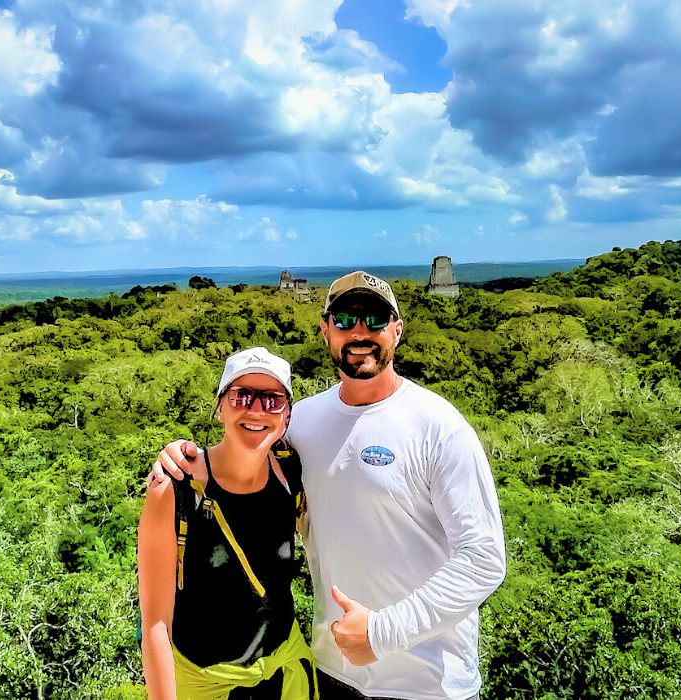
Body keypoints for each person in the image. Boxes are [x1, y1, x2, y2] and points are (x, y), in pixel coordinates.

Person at [154, 271, 506, 700]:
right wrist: (182, 455)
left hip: (427, 682)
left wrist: (383, 632)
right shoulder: (302, 421)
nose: (360, 331)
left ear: (397, 329)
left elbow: (484, 558)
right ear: (325, 331)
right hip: (329, 671)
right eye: (344, 319)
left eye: (375, 318)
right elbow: (242, 451)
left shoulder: (438, 427)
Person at [138, 347, 318, 699]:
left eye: (272, 400)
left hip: (285, 666)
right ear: (220, 406)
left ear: (286, 416)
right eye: (242, 396)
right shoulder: (175, 488)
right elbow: (155, 625)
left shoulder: (291, 473)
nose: (255, 409)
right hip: (204, 682)